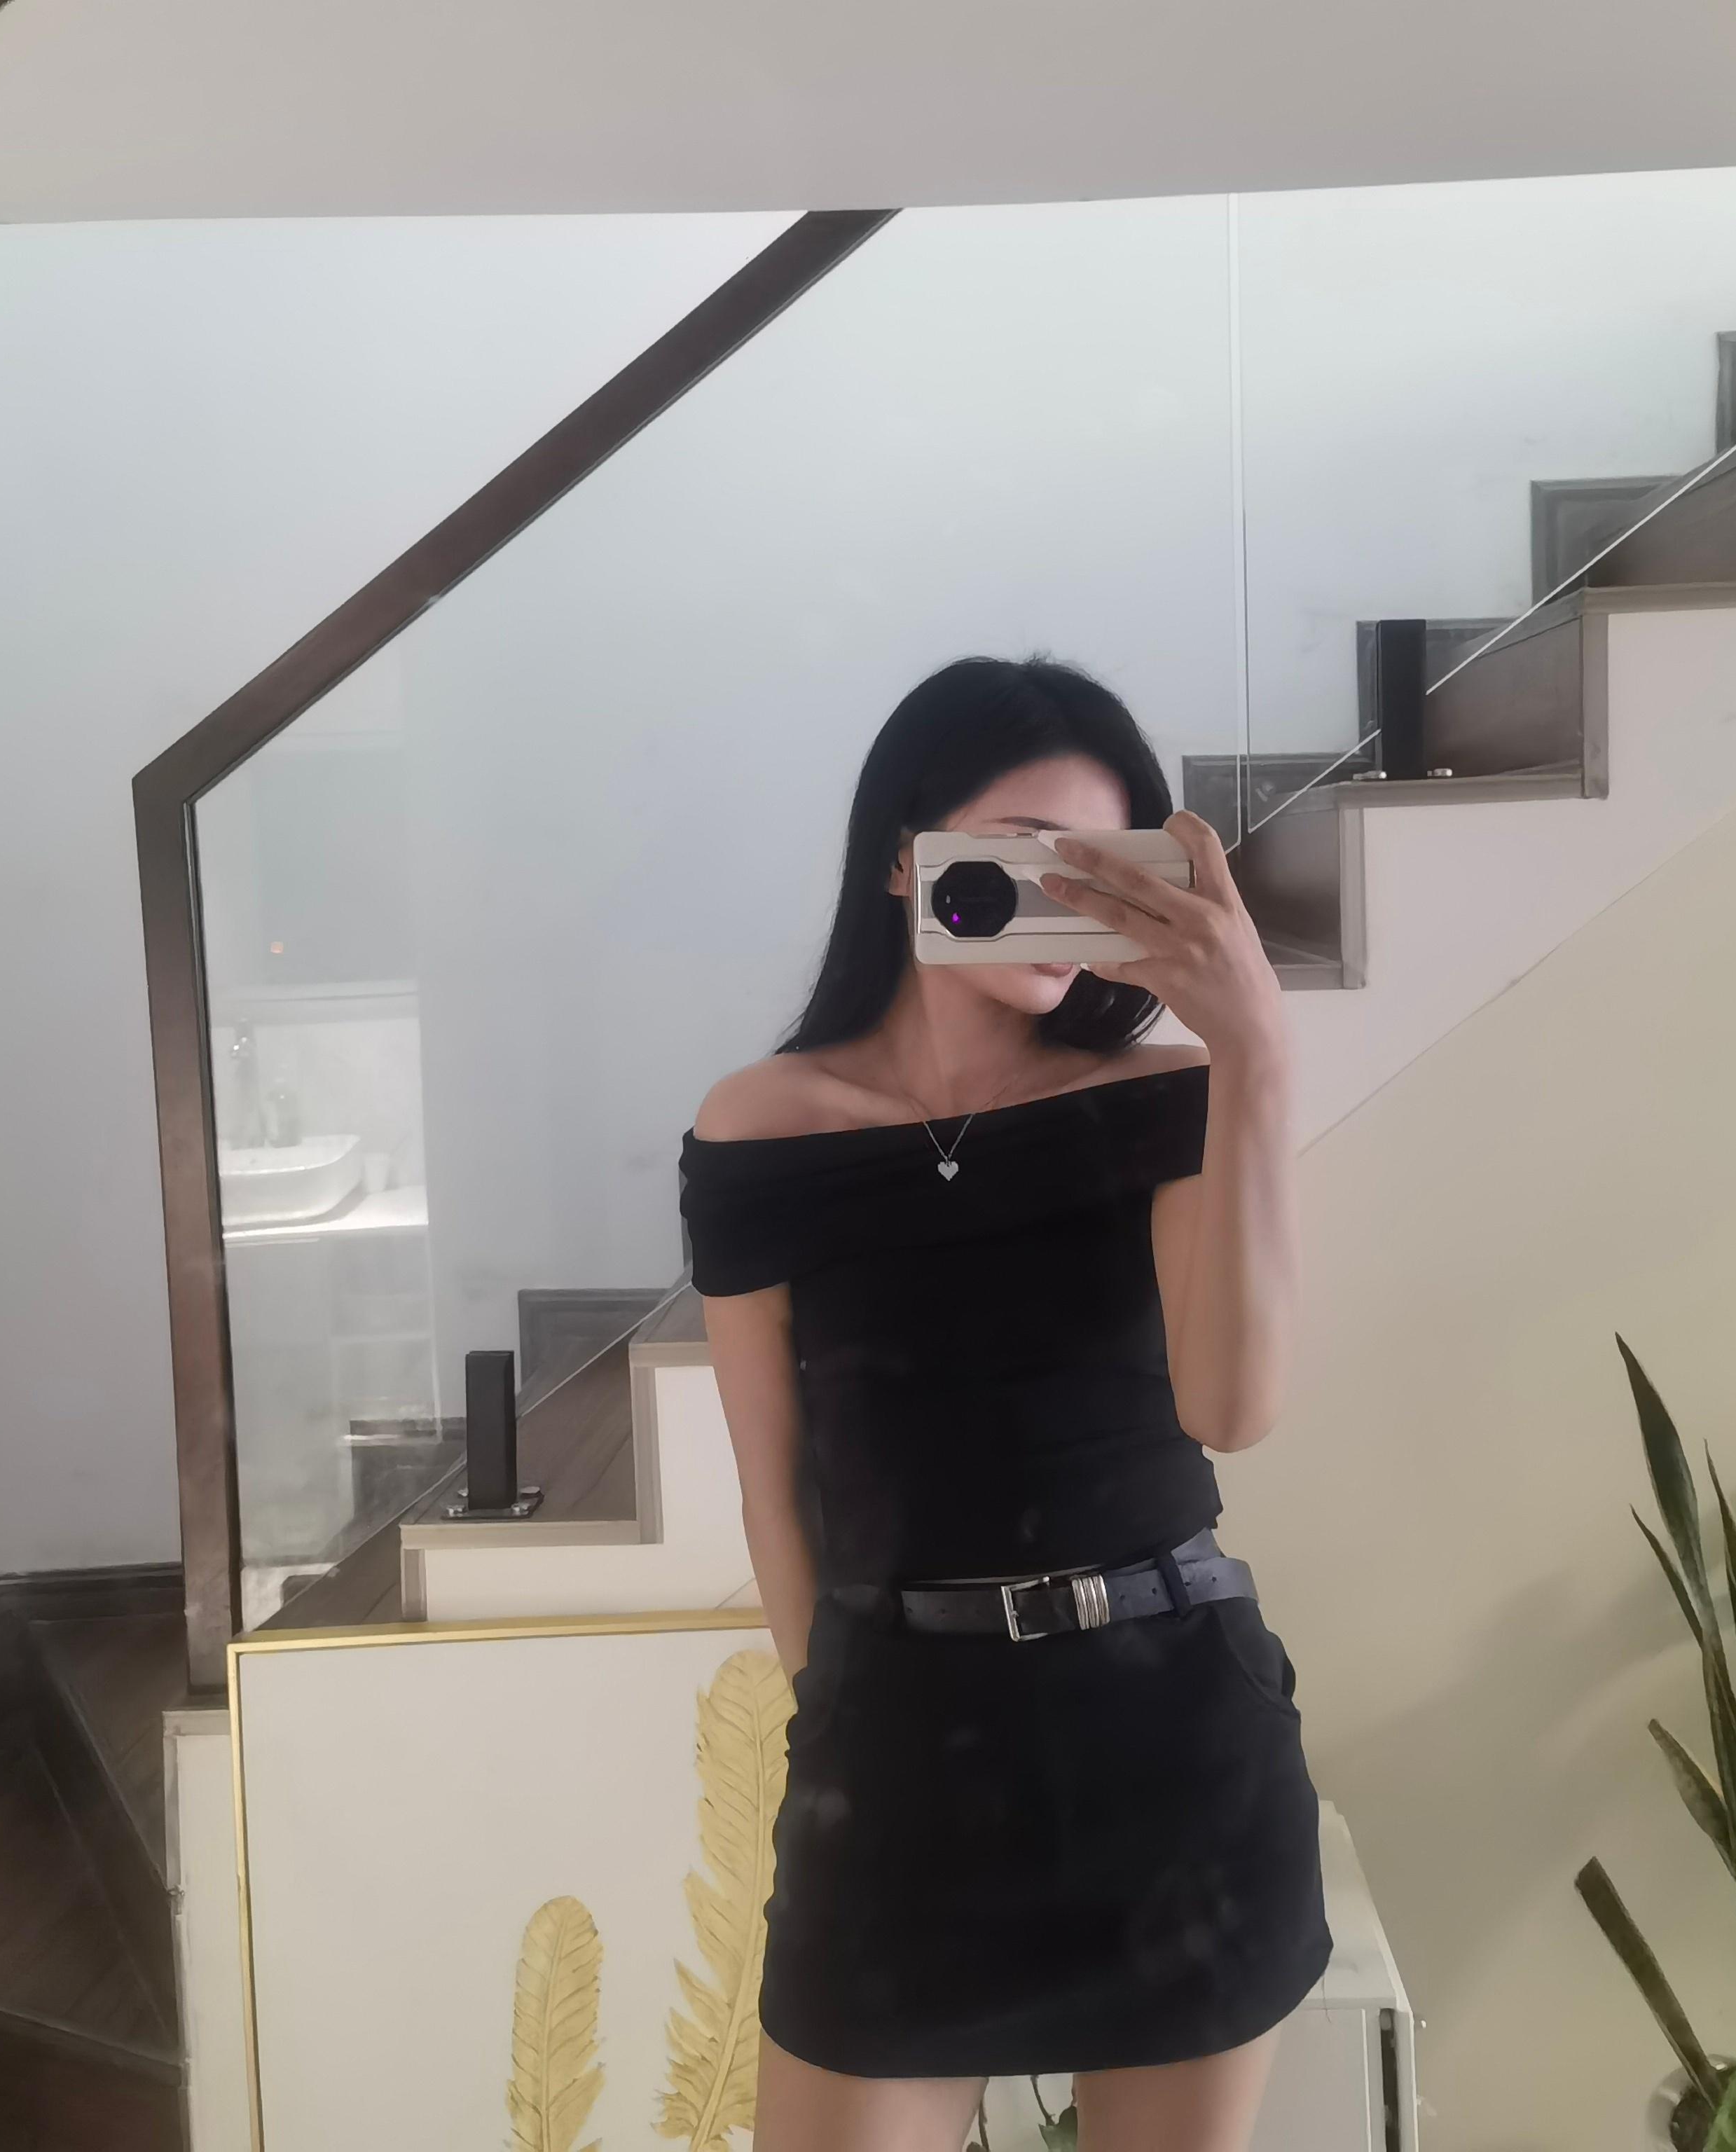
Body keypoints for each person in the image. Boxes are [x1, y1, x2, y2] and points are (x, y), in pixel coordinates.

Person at [680, 656, 1332, 2152]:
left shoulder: (1168, 1094)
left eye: (1105, 867)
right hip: (898, 1760)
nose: (1068, 899)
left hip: (1172, 1748)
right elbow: (775, 1488)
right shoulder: (761, 1128)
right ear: (904, 858)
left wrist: (1257, 1052)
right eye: (1028, 855)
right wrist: (835, 1731)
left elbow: (1232, 1407)